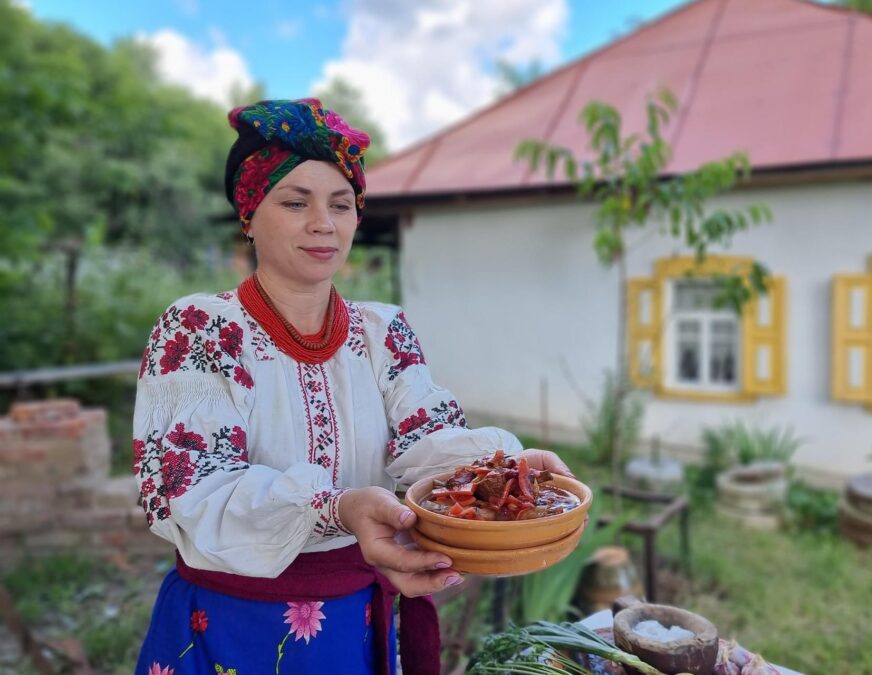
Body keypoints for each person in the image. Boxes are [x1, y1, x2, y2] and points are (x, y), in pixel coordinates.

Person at [132, 98, 573, 675]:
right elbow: (194, 489)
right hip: (231, 624)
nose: (324, 223)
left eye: (341, 204)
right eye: (296, 202)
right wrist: (337, 509)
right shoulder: (201, 328)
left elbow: (425, 441)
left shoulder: (381, 332)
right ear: (249, 214)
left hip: (354, 620)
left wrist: (500, 470)